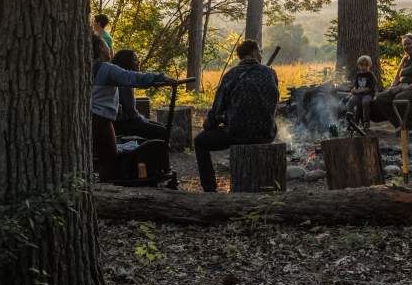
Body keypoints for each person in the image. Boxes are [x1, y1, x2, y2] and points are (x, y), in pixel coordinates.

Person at [194, 39, 279, 192]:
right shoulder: (271, 73)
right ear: (253, 52)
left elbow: (217, 109)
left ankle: (209, 188)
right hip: (267, 133)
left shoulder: (231, 75)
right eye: (260, 50)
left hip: (238, 134)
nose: (261, 54)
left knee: (200, 142)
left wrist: (210, 124)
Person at [91, 35, 175, 182]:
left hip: (84, 120)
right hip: (100, 120)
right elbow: (133, 78)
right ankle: (107, 191)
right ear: (99, 49)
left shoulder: (80, 68)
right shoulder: (106, 69)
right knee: (109, 158)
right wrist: (162, 78)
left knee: (98, 157)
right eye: (105, 46)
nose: (108, 49)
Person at [374, 33, 412, 133]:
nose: (406, 46)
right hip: (403, 87)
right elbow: (397, 77)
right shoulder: (405, 58)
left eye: (409, 44)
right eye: (404, 45)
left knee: (400, 98)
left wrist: (408, 87)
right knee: (381, 98)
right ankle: (400, 125)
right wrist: (392, 88)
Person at [111, 49, 167, 141]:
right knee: (162, 131)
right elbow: (130, 111)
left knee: (161, 127)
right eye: (135, 59)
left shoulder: (123, 78)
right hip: (123, 123)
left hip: (123, 121)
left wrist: (143, 119)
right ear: (126, 62)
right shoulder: (125, 82)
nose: (138, 62)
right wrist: (143, 119)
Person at [348, 55, 377, 130]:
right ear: (359, 66)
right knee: (351, 101)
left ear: (369, 66)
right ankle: (350, 120)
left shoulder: (370, 75)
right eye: (361, 65)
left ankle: (366, 122)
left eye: (366, 65)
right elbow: (356, 86)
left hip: (368, 94)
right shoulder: (358, 75)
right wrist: (353, 90)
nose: (364, 67)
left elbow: (369, 88)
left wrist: (357, 91)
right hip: (358, 94)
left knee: (365, 102)